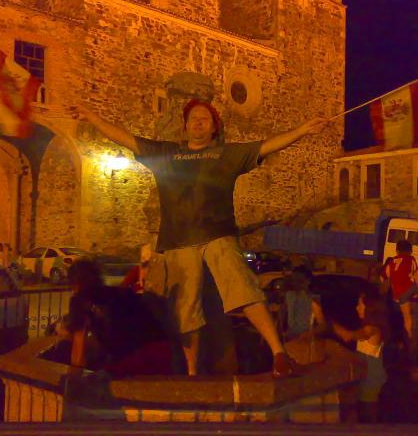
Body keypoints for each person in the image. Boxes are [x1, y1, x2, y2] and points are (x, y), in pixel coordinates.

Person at [76, 98, 322, 377]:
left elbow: (267, 146)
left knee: (241, 286)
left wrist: (302, 130)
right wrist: (92, 117)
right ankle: (192, 372)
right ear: (185, 126)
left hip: (218, 235)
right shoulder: (167, 154)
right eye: (193, 118)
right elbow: (126, 139)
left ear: (214, 127)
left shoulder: (225, 154)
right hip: (178, 242)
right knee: (186, 310)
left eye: (205, 118)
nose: (198, 122)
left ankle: (278, 353)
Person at [64, 259, 173, 376]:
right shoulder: (119, 294)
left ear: (75, 285)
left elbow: (78, 351)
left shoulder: (80, 301)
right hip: (163, 354)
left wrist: (74, 378)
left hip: (140, 358)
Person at [331, 292, 389, 423]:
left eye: (360, 304)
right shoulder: (368, 328)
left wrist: (330, 323)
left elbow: (348, 336)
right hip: (365, 376)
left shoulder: (372, 329)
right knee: (360, 411)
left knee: (368, 414)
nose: (357, 308)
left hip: (371, 378)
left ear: (369, 308)